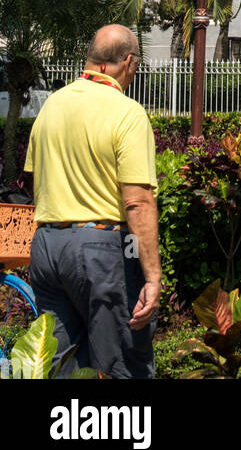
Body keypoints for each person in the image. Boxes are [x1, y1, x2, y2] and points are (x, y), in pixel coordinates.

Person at [24, 25, 160, 379]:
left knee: (59, 362)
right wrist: (153, 276)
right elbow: (138, 203)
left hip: (47, 246)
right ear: (129, 62)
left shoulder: (51, 106)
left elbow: (34, 180)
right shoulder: (126, 112)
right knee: (121, 361)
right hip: (102, 247)